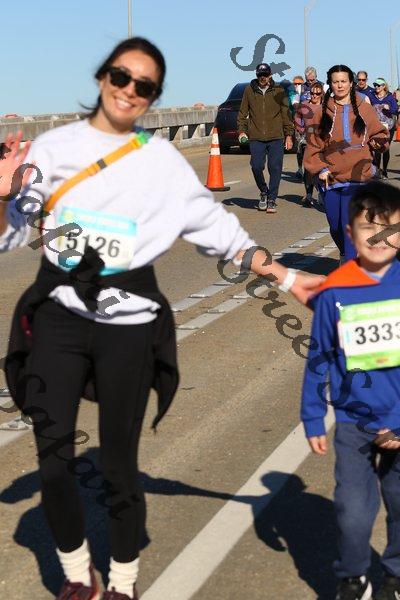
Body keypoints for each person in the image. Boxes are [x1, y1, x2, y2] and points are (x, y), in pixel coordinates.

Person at [0, 38, 323, 600]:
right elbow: (12, 233)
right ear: (103, 77)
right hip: (59, 315)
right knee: (53, 461)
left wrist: (285, 277)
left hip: (129, 322)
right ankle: (77, 575)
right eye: (122, 76)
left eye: (144, 85)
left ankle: (123, 581)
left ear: (152, 97)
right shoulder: (52, 148)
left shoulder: (160, 160)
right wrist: (5, 192)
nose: (130, 90)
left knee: (119, 465)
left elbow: (214, 228)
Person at [301, 181, 400, 600]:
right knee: (353, 512)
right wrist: (311, 416)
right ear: (349, 233)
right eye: (368, 228)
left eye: (389, 229)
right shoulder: (335, 291)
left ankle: (395, 574)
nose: (379, 239)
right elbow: (319, 356)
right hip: (353, 421)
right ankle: (353, 576)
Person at [303, 64, 388, 263]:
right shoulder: (322, 112)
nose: (340, 85)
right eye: (336, 82)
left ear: (351, 83)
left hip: (359, 176)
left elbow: (379, 133)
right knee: (335, 226)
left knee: (348, 225)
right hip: (331, 179)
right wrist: (321, 168)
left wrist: (379, 141)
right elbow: (313, 146)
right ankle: (344, 254)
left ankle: (350, 269)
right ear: (330, 84)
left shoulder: (364, 107)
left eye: (343, 81)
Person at [237, 62, 294, 214]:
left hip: (276, 136)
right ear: (257, 75)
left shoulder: (279, 90)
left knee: (275, 168)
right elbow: (242, 113)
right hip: (256, 136)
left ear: (270, 75)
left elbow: (286, 114)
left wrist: (289, 135)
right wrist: (242, 132)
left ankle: (272, 199)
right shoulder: (249, 90)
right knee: (256, 166)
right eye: (260, 75)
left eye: (265, 75)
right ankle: (264, 191)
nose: (263, 78)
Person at [294, 82, 324, 205]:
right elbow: (297, 116)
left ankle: (321, 193)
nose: (314, 96)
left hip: (323, 140)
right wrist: (300, 128)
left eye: (317, 94)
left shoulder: (326, 106)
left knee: (321, 168)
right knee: (308, 168)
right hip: (308, 140)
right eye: (312, 93)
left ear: (321, 94)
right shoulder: (304, 105)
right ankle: (309, 195)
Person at [370, 78, 399, 179]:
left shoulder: (389, 97)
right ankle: (378, 170)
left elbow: (395, 110)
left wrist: (389, 108)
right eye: (375, 85)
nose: (376, 87)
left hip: (388, 126)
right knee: (377, 148)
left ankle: (385, 171)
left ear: (383, 86)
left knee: (386, 148)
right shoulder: (371, 96)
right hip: (376, 126)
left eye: (378, 85)